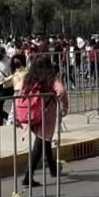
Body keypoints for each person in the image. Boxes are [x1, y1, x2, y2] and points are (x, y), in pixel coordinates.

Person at [18, 55, 68, 187]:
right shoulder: (51, 78)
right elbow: (61, 91)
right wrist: (64, 107)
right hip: (46, 115)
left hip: (31, 114)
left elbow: (21, 94)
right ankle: (28, 175)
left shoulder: (29, 78)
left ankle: (52, 169)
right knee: (40, 144)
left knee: (45, 141)